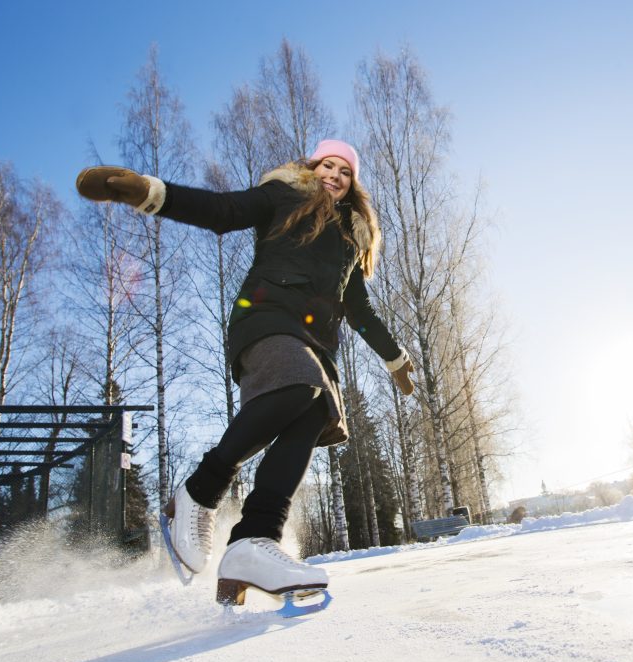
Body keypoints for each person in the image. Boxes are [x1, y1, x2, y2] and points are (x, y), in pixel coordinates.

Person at [75, 140, 415, 605]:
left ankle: (253, 543)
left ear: (352, 185)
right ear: (311, 169)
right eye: (326, 165)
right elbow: (222, 211)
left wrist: (395, 358)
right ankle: (201, 489)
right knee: (302, 384)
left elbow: (360, 310)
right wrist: (148, 193)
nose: (334, 174)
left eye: (345, 171)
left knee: (316, 414)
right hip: (266, 318)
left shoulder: (351, 239)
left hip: (316, 342)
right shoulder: (282, 195)